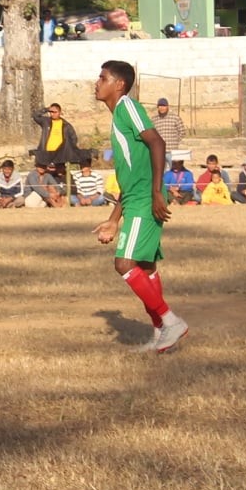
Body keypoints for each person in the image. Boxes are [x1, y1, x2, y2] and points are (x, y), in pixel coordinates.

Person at [92, 60, 186, 353]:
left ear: (119, 84)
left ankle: (171, 321)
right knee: (145, 266)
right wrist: (113, 219)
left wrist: (158, 192)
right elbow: (131, 177)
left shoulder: (126, 107)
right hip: (136, 198)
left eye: (103, 77)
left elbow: (157, 143)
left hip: (146, 199)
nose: (97, 82)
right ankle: (160, 335)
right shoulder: (118, 115)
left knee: (124, 264)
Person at [32, 104, 86, 173]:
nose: (53, 114)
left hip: (60, 154)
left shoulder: (66, 125)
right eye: (51, 112)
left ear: (60, 112)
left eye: (55, 112)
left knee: (60, 173)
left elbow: (73, 138)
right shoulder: (46, 121)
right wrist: (46, 109)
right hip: (46, 152)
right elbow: (35, 116)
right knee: (43, 173)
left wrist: (68, 151)